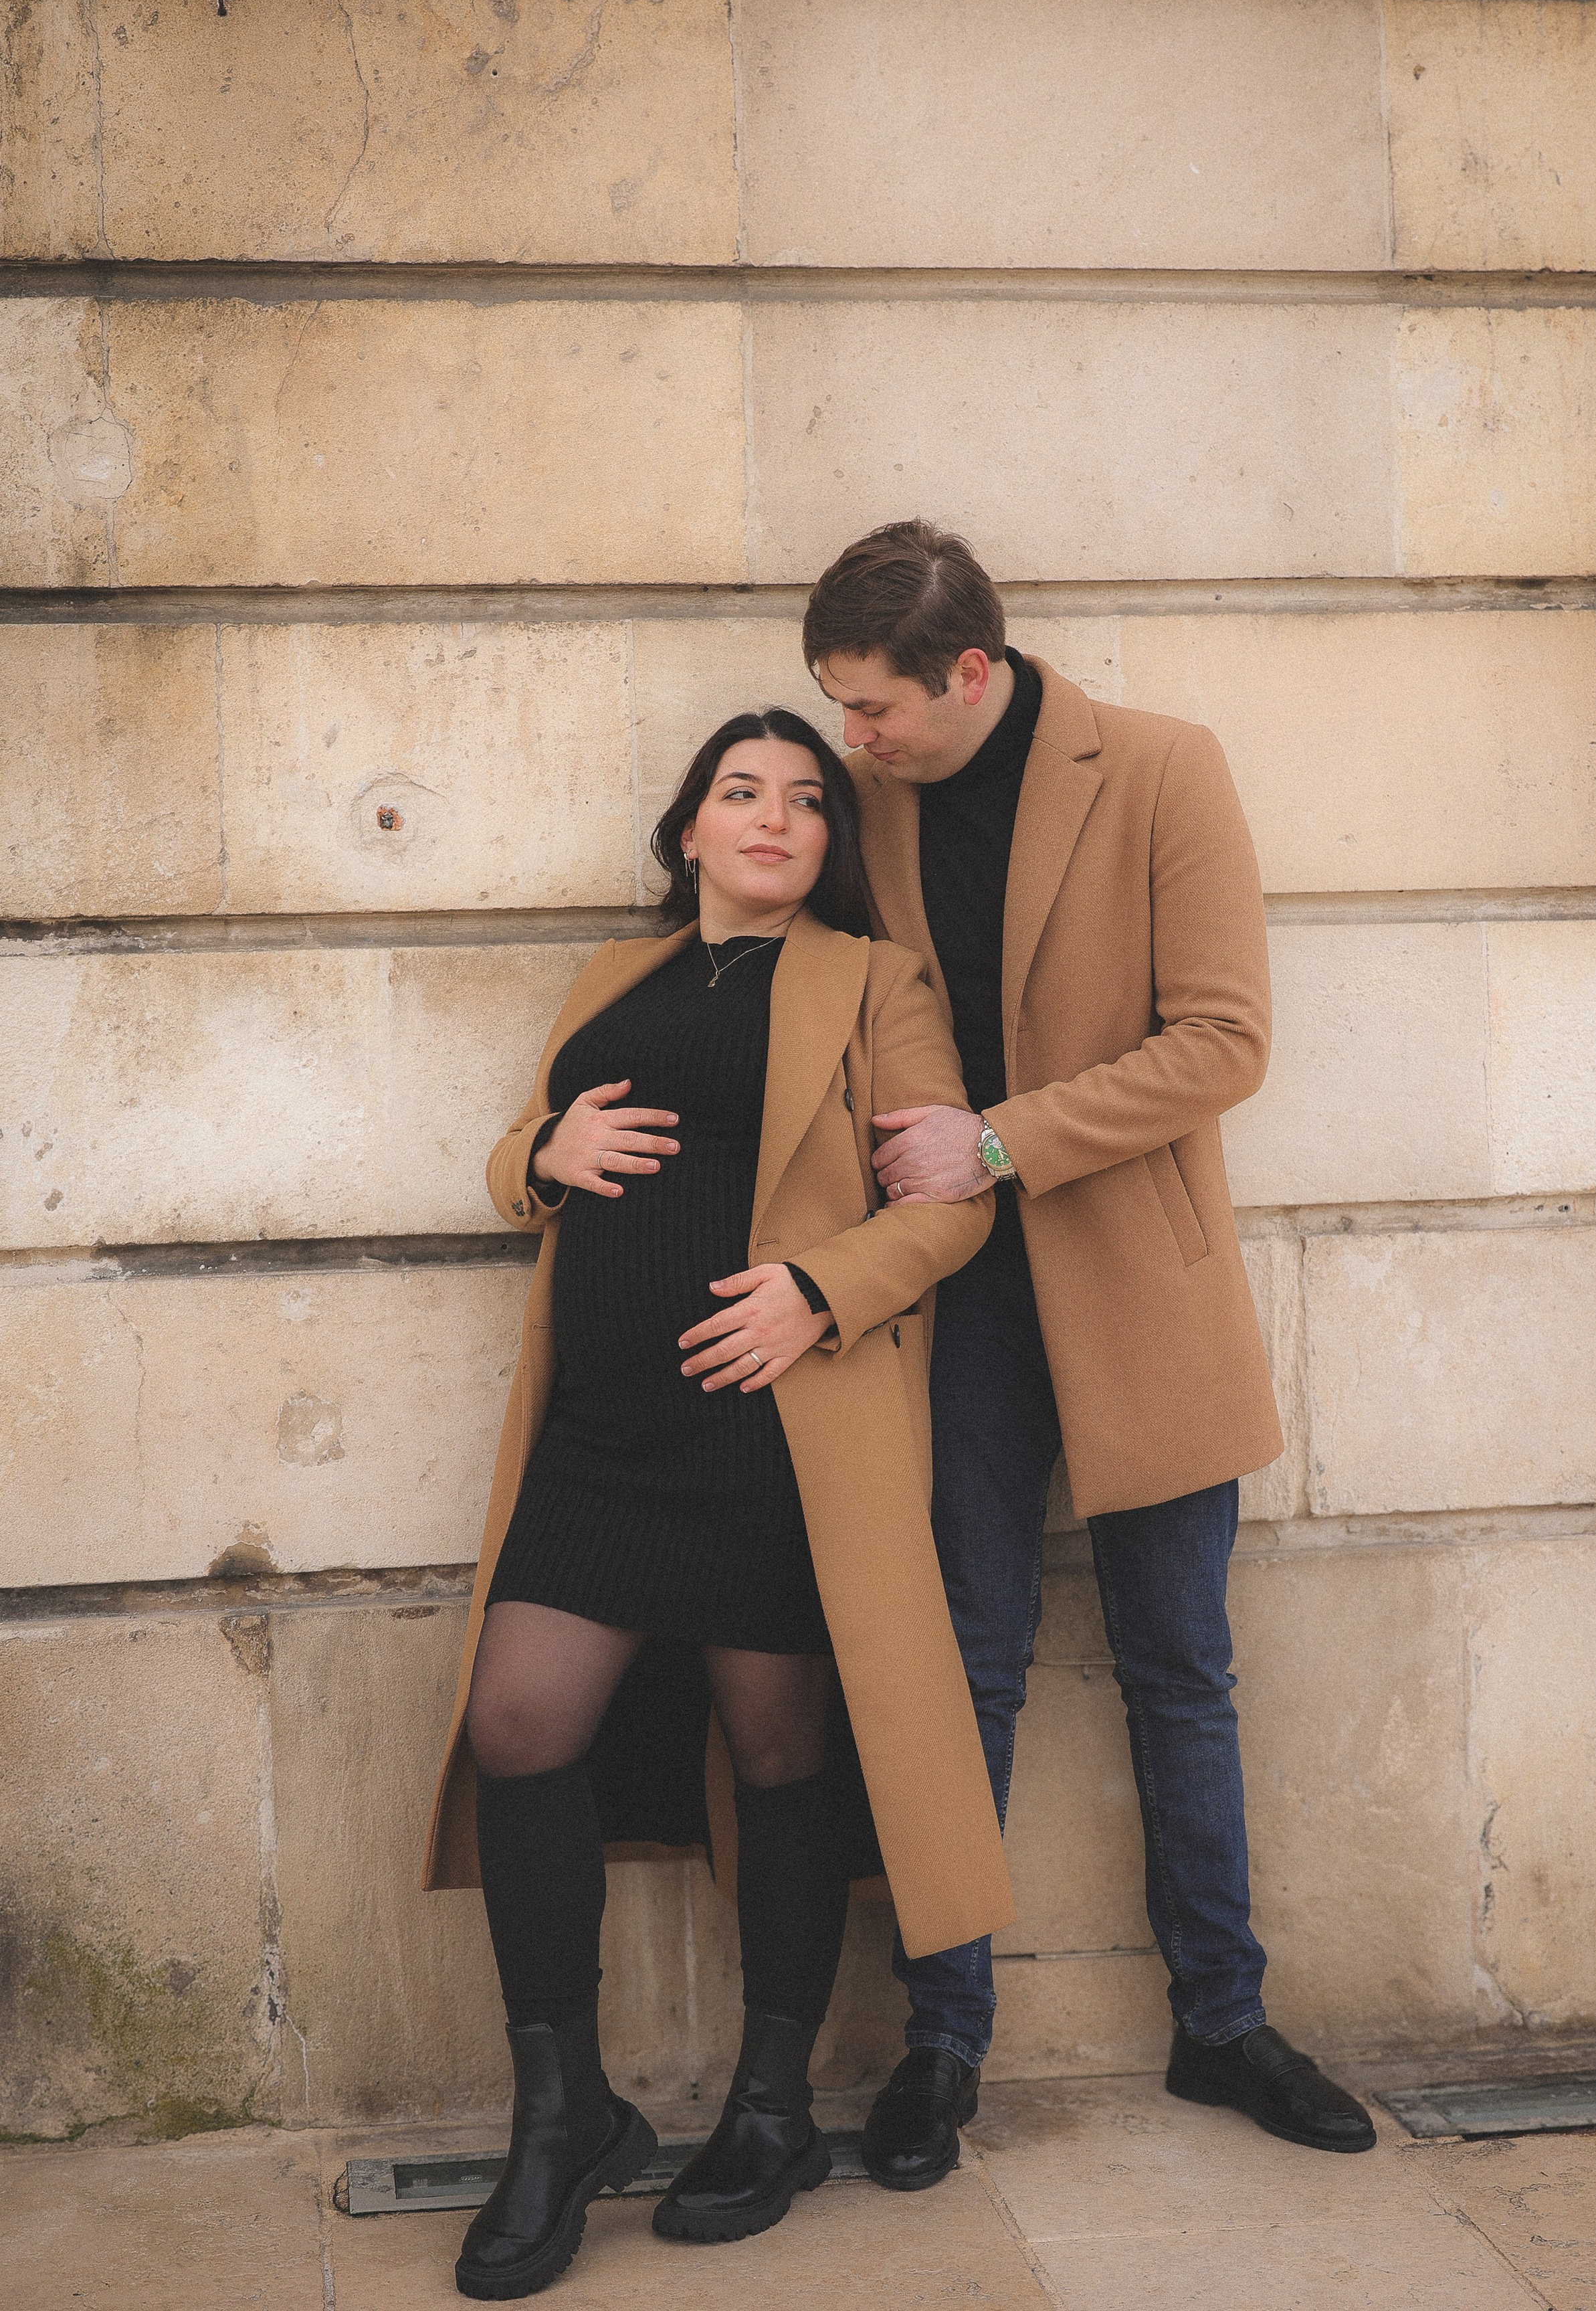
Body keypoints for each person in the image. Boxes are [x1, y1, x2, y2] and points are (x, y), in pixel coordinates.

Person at [802, 520, 1378, 2185]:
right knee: (959, 1671)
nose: (854, 742)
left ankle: (1222, 2018)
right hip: (956, 1301)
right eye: (836, 710)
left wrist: (994, 1140)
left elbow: (1223, 1038)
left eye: (873, 708)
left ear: (966, 671)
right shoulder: (873, 801)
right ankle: (941, 2044)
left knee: (1177, 1669)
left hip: (1136, 1280)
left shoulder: (1157, 768)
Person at [420, 707, 1012, 2300]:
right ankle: (565, 2117)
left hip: (771, 1438)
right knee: (517, 1725)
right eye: (740, 793)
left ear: (830, 840)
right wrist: (538, 1147)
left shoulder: (872, 980)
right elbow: (508, 1159)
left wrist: (818, 1287)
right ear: (687, 826)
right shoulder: (610, 975)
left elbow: (944, 1204)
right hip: (600, 1434)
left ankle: (770, 2108)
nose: (774, 817)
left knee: (780, 1755)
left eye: (807, 799)